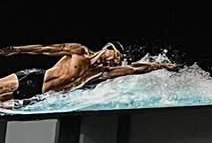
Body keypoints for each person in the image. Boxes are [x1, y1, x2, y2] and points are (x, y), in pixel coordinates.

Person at [0, 41, 176, 104]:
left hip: (39, 95)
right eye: (115, 55)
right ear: (108, 48)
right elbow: (46, 49)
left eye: (118, 59)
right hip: (35, 78)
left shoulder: (101, 71)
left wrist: (161, 66)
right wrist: (17, 50)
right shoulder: (80, 52)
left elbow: (135, 69)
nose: (115, 61)